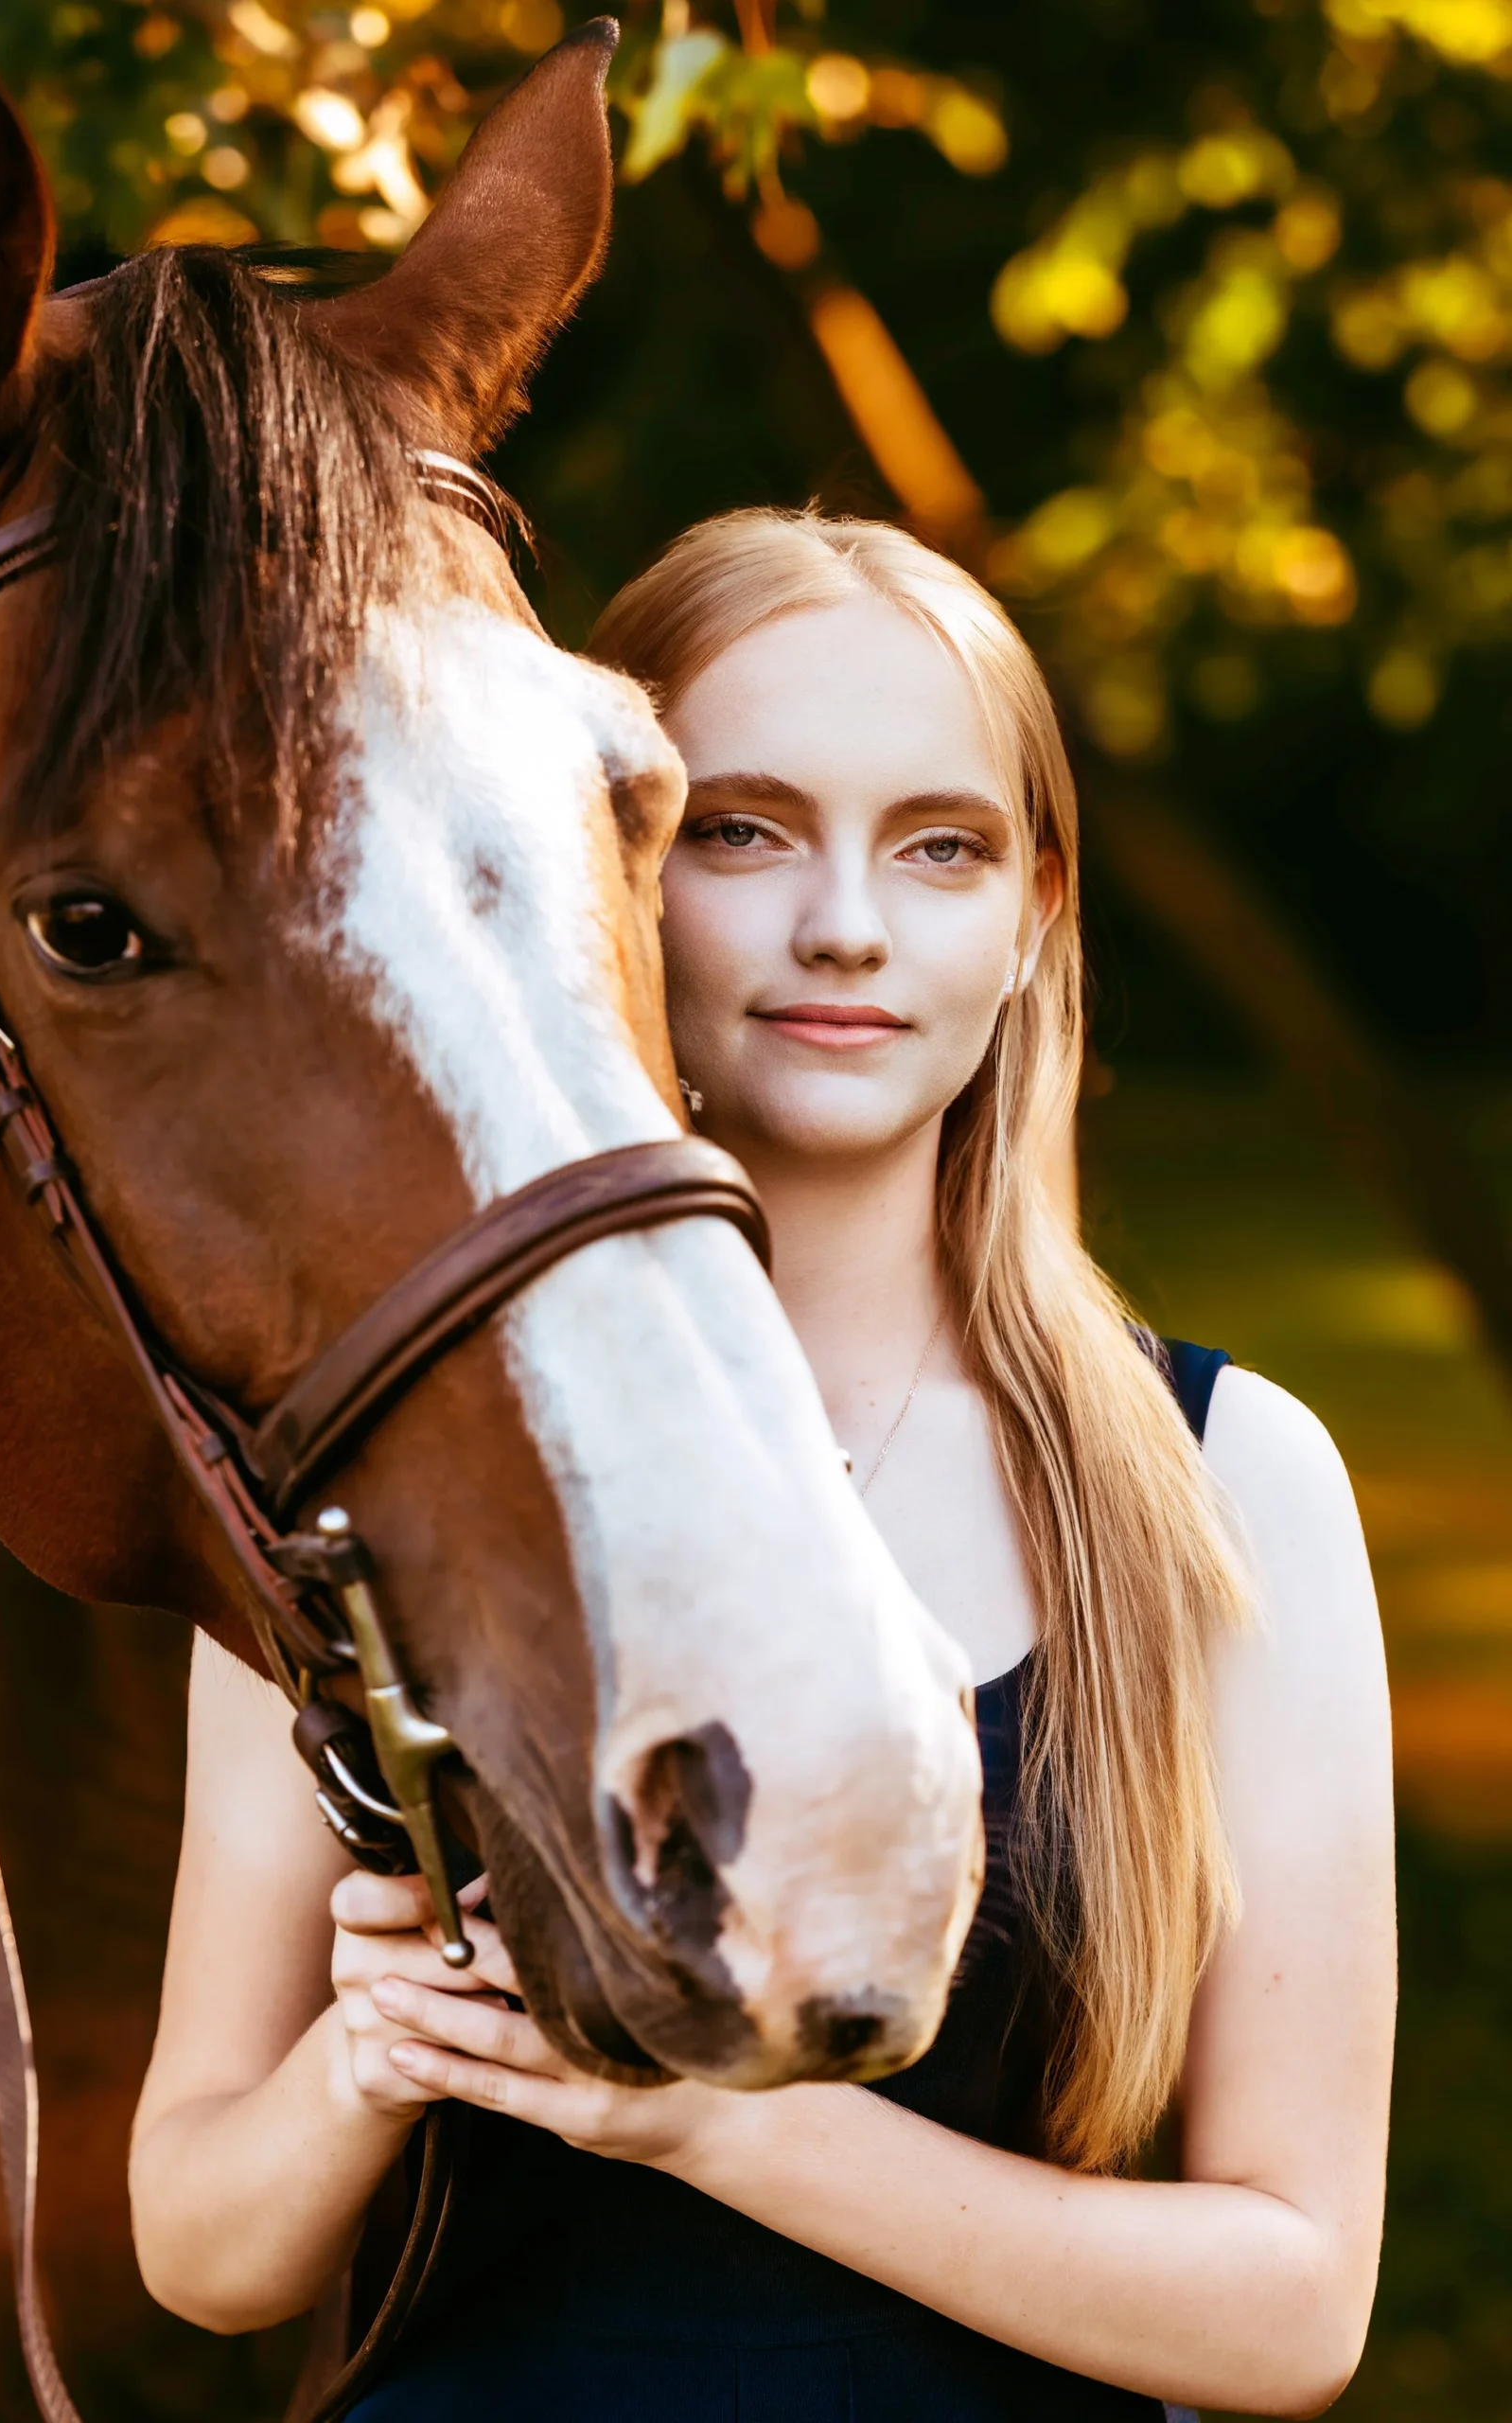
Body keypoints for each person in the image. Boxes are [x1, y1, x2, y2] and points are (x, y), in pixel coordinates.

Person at [129, 511, 1395, 2421]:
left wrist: (716, 2123)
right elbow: (199, 2242)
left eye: (939, 846)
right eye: (742, 828)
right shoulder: (365, 1454)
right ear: (598, 858)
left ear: (1035, 911)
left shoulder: (1229, 1482)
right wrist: (366, 2055)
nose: (846, 925)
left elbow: (1291, 2306)